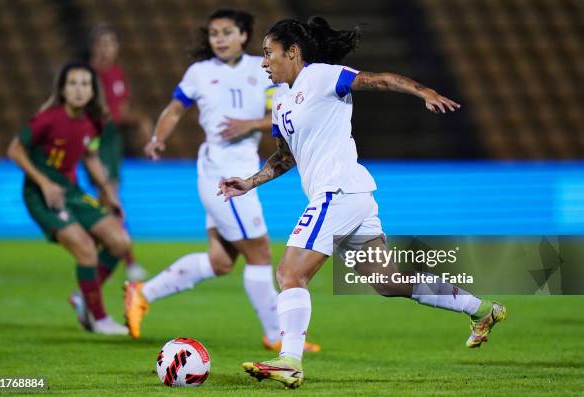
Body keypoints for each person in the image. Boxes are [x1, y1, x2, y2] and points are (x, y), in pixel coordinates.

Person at [218, 17, 507, 389]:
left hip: (337, 192)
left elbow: (380, 79)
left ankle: (290, 359)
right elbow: (285, 157)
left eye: (268, 53)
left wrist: (423, 92)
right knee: (387, 282)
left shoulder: (322, 76)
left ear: (293, 52)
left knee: (290, 273)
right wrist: (251, 182)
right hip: (351, 198)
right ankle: (481, 310)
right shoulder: (281, 102)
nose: (263, 63)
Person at [124, 9, 320, 353]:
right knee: (259, 253)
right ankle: (276, 334)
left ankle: (142, 293)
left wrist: (250, 125)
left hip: (240, 168)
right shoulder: (199, 73)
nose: (219, 39)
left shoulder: (262, 69)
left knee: (220, 262)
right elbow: (174, 109)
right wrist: (158, 138)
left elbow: (280, 111)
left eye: (227, 32)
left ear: (243, 35)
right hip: (223, 175)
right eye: (214, 33)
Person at [7, 61, 131, 335]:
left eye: (84, 84)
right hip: (42, 195)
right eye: (72, 83)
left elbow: (91, 154)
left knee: (120, 242)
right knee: (86, 248)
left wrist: (110, 194)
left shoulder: (93, 121)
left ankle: (82, 297)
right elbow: (15, 150)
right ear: (62, 89)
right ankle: (98, 318)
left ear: (92, 90)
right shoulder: (48, 119)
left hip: (73, 192)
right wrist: (45, 183)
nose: (78, 89)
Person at [87, 23, 152, 281]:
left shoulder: (116, 73)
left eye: (111, 44)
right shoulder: (87, 76)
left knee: (108, 200)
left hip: (112, 140)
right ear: (94, 48)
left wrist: (139, 120)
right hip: (94, 139)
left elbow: (119, 111)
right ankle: (128, 260)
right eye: (102, 44)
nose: (107, 49)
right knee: (110, 197)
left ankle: (101, 253)